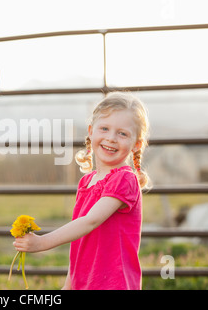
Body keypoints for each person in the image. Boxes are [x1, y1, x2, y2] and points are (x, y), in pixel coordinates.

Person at [13, 91, 150, 290]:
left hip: (113, 284)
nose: (111, 138)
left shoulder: (124, 179)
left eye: (122, 133)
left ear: (136, 144)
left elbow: (90, 221)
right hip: (84, 283)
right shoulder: (87, 182)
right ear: (91, 132)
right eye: (104, 128)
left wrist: (42, 243)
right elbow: (81, 238)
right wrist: (69, 285)